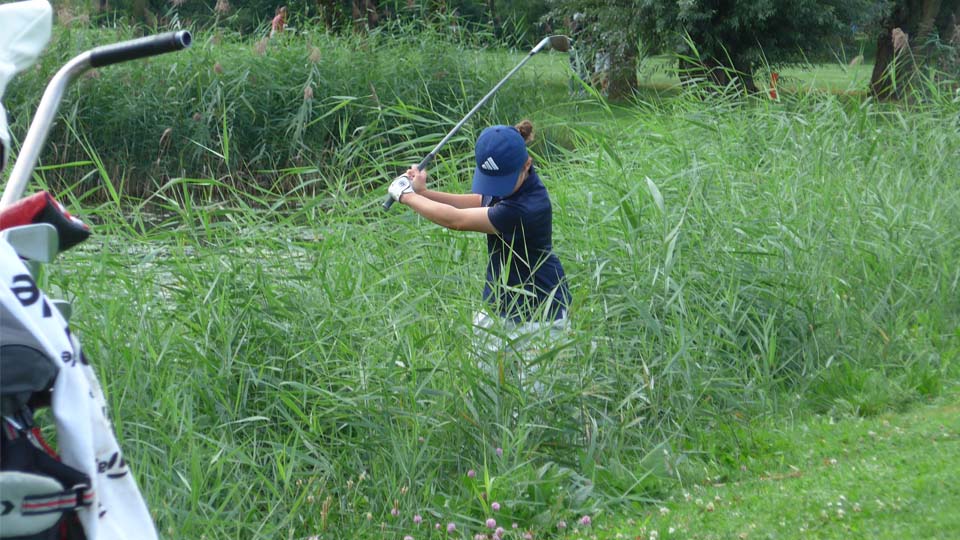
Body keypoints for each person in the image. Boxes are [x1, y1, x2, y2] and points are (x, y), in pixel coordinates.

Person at [387, 121, 571, 365]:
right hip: (499, 302)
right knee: (486, 388)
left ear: (527, 165)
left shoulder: (527, 207)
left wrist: (406, 196)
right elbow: (477, 200)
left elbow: (457, 220)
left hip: (541, 312)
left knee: (535, 396)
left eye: (501, 182)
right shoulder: (510, 185)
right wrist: (423, 193)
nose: (497, 190)